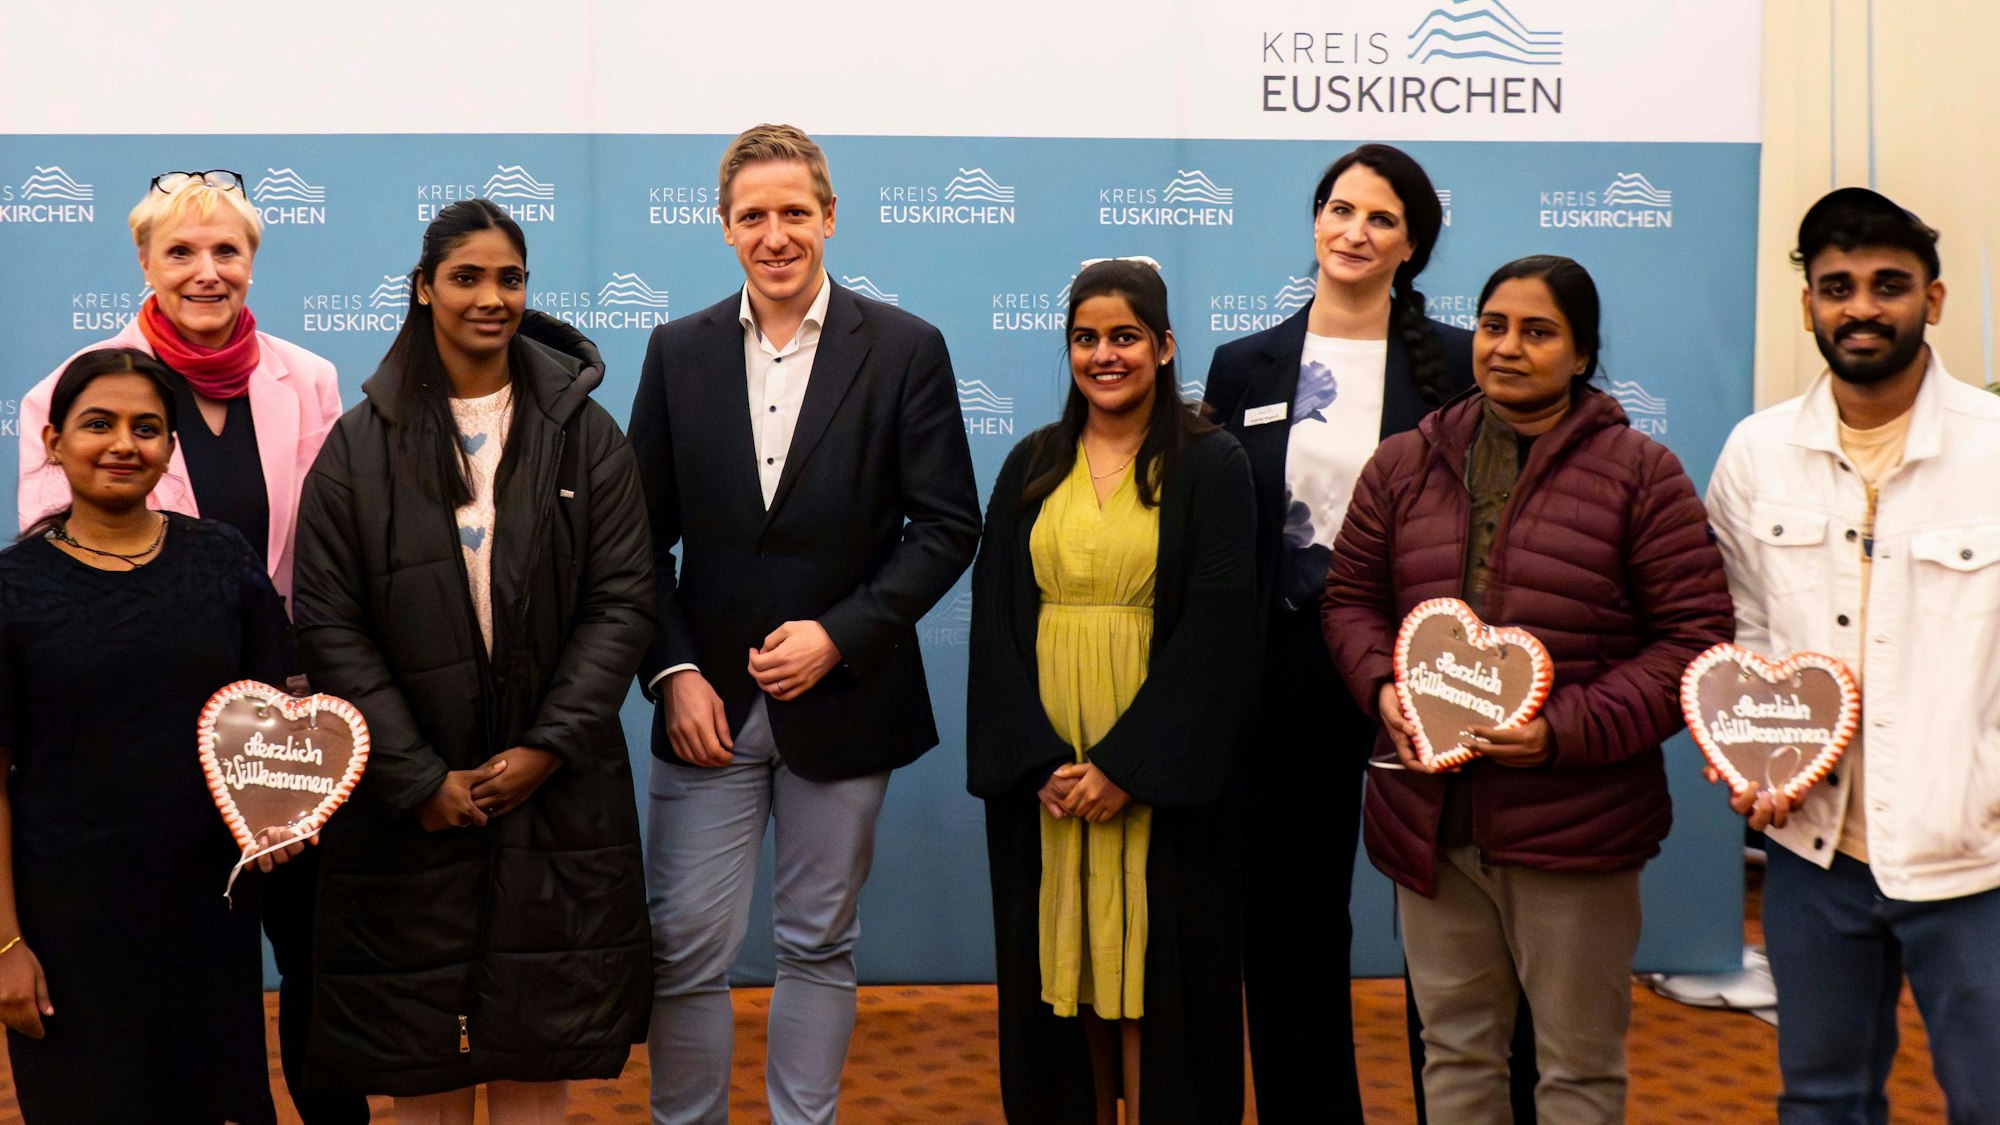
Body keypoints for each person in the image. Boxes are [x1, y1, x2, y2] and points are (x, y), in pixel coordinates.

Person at [1324, 256, 1734, 1123]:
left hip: (1574, 826)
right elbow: (1352, 600)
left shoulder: (1642, 474)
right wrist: (1379, 687)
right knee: (1456, 1054)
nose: (1507, 347)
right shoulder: (1401, 465)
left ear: (1582, 352)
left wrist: (1564, 731)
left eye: (1538, 331)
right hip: (1430, 820)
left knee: (1577, 1070)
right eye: (1493, 325)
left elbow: (1694, 644)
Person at [629, 123, 981, 1125]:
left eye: (793, 212)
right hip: (704, 706)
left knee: (818, 942)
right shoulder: (676, 351)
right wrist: (672, 674)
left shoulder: (905, 349)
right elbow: (634, 545)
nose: (774, 234)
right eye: (753, 216)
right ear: (725, 227)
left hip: (846, 695)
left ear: (828, 217)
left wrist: (841, 633)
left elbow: (949, 523)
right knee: (685, 948)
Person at [291, 199, 655, 1125]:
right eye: (466, 277)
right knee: (425, 1072)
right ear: (423, 290)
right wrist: (415, 777)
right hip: (409, 809)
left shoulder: (587, 431)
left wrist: (546, 748)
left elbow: (622, 604)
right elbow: (330, 624)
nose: (491, 297)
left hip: (557, 798)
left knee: (538, 1055)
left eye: (510, 278)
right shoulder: (356, 445)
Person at [13, 168, 357, 1123]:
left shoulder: (311, 377)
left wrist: (296, 741)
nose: (206, 271)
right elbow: (64, 578)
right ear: (145, 262)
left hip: (286, 738)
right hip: (143, 750)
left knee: (313, 965)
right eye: (182, 251)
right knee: (160, 997)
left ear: (253, 262)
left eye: (227, 251)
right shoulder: (75, 386)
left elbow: (327, 557)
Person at [1199, 142, 1510, 1122]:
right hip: (1281, 683)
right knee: (1286, 931)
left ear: (1410, 243)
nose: (1353, 231)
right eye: (1339, 209)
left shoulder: (1465, 366)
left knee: (1448, 933)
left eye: (1379, 218)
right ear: (1314, 220)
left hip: (1425, 678)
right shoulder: (1243, 363)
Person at [1705, 188, 2000, 1124]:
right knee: (1821, 1101)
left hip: (1975, 854)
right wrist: (1749, 757)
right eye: (1837, 286)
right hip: (1812, 847)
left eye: (1888, 285)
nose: (1861, 307)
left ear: (1935, 299)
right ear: (1809, 307)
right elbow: (1740, 633)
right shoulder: (1757, 454)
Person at [968, 259, 1257, 1124]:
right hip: (1051, 779)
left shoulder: (1213, 463)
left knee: (1155, 978)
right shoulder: (1032, 460)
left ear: (1165, 348)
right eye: (1086, 338)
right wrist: (1039, 762)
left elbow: (1218, 629)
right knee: (1068, 980)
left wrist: (1129, 765)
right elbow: (995, 616)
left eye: (1125, 337)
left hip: (1157, 774)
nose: (1105, 355)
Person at [0, 348, 302, 1123]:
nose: (123, 444)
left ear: (170, 448)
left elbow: (275, 711)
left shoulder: (222, 557)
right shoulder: (12, 586)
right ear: (53, 440)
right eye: (98, 424)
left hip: (209, 918)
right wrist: (5, 945)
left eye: (147, 427)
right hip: (68, 934)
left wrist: (284, 805)